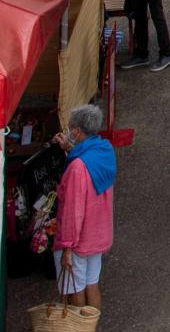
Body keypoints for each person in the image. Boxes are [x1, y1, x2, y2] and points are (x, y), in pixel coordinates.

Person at [53, 104, 114, 309]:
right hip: (98, 233)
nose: (69, 131)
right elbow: (88, 161)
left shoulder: (77, 169)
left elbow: (74, 212)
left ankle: (79, 324)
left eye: (71, 128)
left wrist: (67, 248)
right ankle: (92, 324)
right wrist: (68, 148)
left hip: (79, 239)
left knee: (75, 289)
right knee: (92, 284)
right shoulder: (105, 151)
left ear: (77, 131)